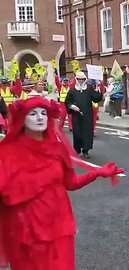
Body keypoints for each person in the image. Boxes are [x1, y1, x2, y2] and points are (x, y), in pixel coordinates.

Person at [0, 96, 122, 270]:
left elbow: (70, 183)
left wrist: (97, 173)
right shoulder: (7, 153)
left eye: (43, 113)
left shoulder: (57, 149)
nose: (40, 117)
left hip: (60, 226)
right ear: (21, 120)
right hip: (26, 231)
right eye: (33, 114)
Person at [64, 72, 102, 158]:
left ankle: (86, 150)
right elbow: (67, 102)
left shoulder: (89, 90)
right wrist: (72, 106)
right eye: (79, 79)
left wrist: (98, 88)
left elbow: (96, 98)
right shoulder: (72, 91)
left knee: (87, 132)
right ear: (76, 80)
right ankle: (77, 149)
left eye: (82, 79)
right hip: (76, 115)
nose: (81, 81)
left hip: (87, 115)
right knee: (77, 133)